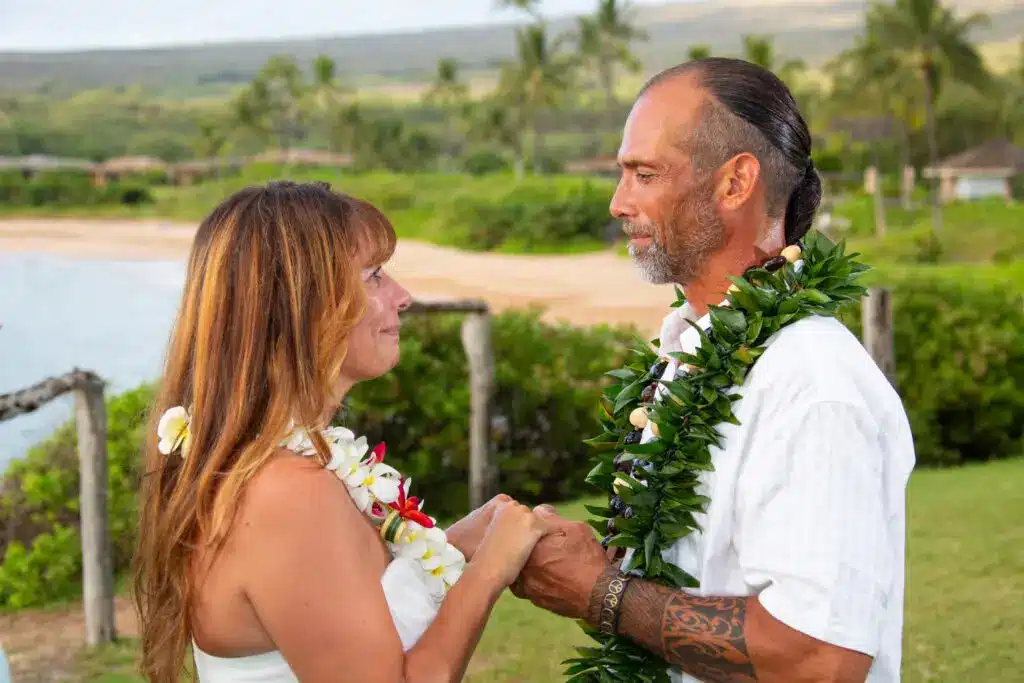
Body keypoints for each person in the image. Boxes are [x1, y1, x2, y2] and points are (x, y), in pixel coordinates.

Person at [511, 58, 915, 682]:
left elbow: (821, 660)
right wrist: (598, 567)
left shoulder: (812, 384)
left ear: (735, 183)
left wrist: (603, 594)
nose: (620, 203)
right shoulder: (691, 349)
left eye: (645, 175)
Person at [132, 181, 553, 683]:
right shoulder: (287, 493)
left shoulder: (278, 465)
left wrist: (461, 543)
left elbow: (354, 603)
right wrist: (490, 571)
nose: (403, 297)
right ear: (302, 307)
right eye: (375, 276)